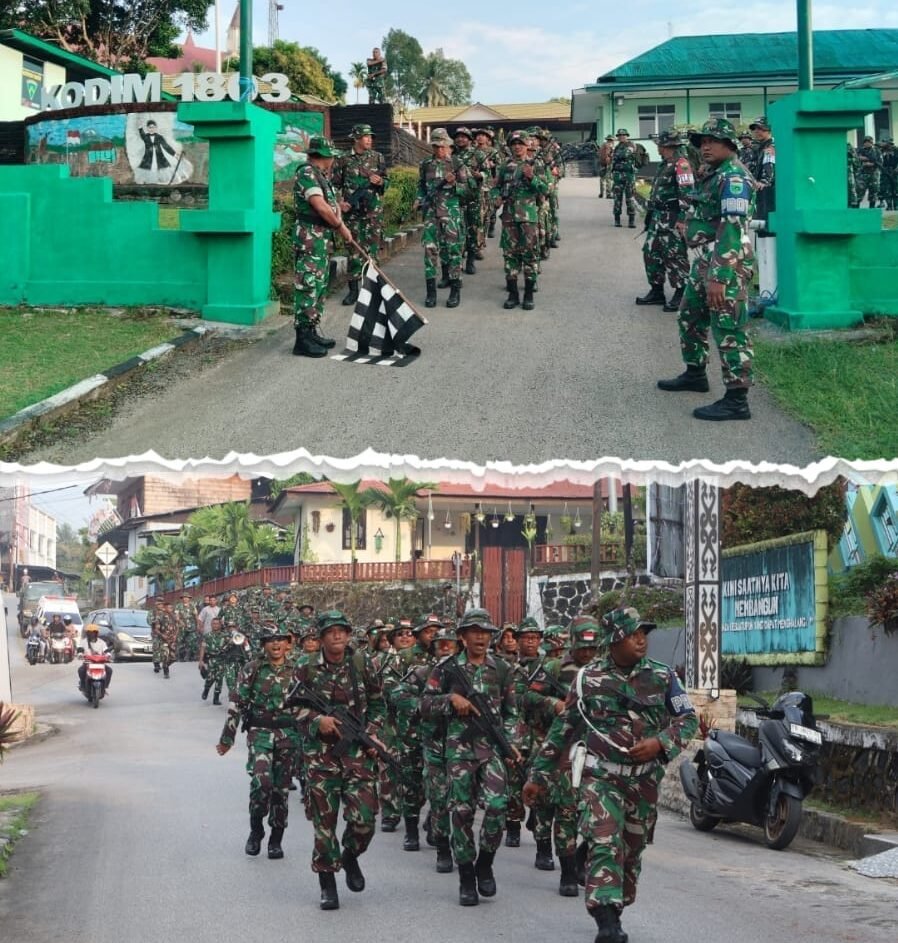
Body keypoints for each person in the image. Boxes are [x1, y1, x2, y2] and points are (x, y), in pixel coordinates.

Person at [524, 607, 697, 943]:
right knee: (605, 842)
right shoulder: (587, 680)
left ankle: (615, 904)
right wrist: (539, 775)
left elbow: (687, 719)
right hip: (600, 778)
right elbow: (564, 728)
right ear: (615, 639)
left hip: (643, 780)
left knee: (631, 852)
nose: (641, 640)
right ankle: (607, 924)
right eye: (634, 634)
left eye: (644, 634)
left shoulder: (663, 677)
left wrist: (660, 743)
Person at [420, 608, 522, 907]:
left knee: (497, 808)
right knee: (461, 813)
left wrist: (512, 743)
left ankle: (485, 864)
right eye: (475, 631)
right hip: (459, 751)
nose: (481, 637)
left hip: (491, 749)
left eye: (486, 632)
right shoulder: (446, 668)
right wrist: (451, 700)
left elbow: (512, 713)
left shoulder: (502, 669)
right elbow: (424, 704)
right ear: (462, 637)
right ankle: (466, 876)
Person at [657, 117, 756, 422]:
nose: (706, 146)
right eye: (703, 141)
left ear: (730, 145)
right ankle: (695, 373)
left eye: (713, 141)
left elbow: (731, 228)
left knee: (728, 328)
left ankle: (737, 399)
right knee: (690, 316)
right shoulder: (713, 174)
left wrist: (720, 276)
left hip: (726, 263)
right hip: (704, 259)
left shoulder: (734, 179)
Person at [290, 610, 386, 910]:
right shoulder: (305, 666)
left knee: (365, 821)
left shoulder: (362, 663)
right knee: (324, 824)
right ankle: (327, 883)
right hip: (321, 757)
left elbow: (378, 704)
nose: (337, 636)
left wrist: (371, 734)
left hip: (357, 753)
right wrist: (317, 720)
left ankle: (350, 856)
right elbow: (290, 707)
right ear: (320, 637)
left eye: (342, 630)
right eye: (330, 631)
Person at [523, 614, 600, 891]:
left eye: (593, 648)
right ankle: (564, 868)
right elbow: (528, 696)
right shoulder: (554, 667)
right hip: (559, 747)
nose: (588, 653)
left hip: (596, 749)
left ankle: (582, 860)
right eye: (584, 647)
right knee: (558, 807)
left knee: (595, 813)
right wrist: (553, 703)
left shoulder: (603, 671)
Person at [217, 622, 299, 861]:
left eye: (281, 639)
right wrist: (227, 739)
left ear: (288, 644)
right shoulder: (252, 668)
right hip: (260, 733)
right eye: (271, 640)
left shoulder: (298, 670)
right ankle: (256, 830)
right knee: (261, 783)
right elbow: (237, 704)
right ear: (263, 645)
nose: (276, 644)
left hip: (288, 736)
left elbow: (309, 706)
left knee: (280, 791)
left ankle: (276, 839)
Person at [292, 136, 353, 358]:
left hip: (321, 239)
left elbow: (333, 207)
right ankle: (302, 339)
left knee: (318, 284)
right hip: (310, 237)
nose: (333, 160)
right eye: (331, 157)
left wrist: (340, 224)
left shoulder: (321, 177)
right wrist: (340, 227)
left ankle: (312, 330)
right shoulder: (306, 173)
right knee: (308, 284)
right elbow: (320, 207)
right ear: (324, 156)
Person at [635, 129, 694, 311]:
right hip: (658, 217)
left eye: (660, 145)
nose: (658, 148)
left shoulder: (681, 164)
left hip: (673, 217)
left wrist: (683, 218)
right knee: (651, 253)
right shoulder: (664, 164)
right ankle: (656, 291)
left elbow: (688, 193)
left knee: (675, 255)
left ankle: (681, 292)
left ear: (669, 146)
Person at [331, 123, 388, 307]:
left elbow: (386, 181)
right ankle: (353, 291)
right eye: (365, 136)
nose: (369, 139)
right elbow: (334, 185)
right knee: (353, 251)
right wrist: (340, 202)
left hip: (373, 212)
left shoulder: (378, 158)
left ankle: (373, 291)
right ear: (356, 138)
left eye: (370, 136)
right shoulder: (343, 159)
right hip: (352, 214)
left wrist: (380, 181)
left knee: (373, 251)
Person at [415, 128, 469, 309]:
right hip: (431, 213)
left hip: (451, 214)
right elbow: (421, 186)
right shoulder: (425, 164)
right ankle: (431, 293)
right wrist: (418, 198)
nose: (439, 149)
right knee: (429, 252)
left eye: (442, 145)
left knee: (454, 252)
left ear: (448, 145)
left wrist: (454, 184)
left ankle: (455, 291)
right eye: (436, 145)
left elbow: (468, 191)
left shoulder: (456, 163)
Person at [494, 131, 548, 311]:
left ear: (527, 145)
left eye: (520, 143)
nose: (517, 146)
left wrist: (531, 177)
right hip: (509, 217)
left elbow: (545, 188)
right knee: (510, 255)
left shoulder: (536, 164)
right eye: (514, 143)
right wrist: (497, 197)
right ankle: (513, 293)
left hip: (528, 218)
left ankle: (529, 294)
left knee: (530, 254)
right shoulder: (505, 165)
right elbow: (496, 186)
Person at [747, 116, 776, 233]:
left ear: (768, 129)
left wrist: (764, 182)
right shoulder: (760, 146)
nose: (757, 131)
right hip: (760, 190)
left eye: (760, 129)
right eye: (755, 129)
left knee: (766, 223)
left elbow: (769, 166)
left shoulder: (771, 146)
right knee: (760, 223)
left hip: (769, 190)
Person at [610, 129, 640, 228]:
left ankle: (631, 220)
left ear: (627, 136)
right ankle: (617, 220)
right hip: (618, 175)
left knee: (630, 198)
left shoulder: (631, 145)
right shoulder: (618, 146)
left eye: (623, 135)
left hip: (629, 175)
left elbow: (624, 154)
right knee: (617, 198)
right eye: (620, 135)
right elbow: (613, 159)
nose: (621, 137)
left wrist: (616, 155)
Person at [76, 624, 112, 693]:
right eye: (90, 633)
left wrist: (108, 655)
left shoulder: (102, 642)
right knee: (81, 670)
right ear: (87, 633)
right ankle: (83, 685)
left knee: (109, 670)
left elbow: (106, 651)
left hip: (100, 663)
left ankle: (105, 687)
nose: (91, 634)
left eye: (93, 632)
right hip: (88, 662)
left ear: (96, 633)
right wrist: (80, 654)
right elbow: (80, 649)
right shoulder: (84, 642)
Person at [856, 135, 882, 208]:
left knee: (874, 192)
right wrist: (863, 160)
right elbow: (856, 159)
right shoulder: (860, 150)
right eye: (866, 142)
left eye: (869, 142)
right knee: (859, 191)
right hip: (862, 175)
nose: (867, 143)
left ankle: (872, 208)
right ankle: (856, 209)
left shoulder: (876, 151)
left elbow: (880, 162)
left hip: (873, 174)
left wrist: (870, 164)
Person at [880, 138, 897, 210]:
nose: (890, 146)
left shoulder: (896, 150)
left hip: (895, 170)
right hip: (885, 171)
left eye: (891, 144)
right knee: (887, 189)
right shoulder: (881, 151)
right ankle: (889, 205)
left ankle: (896, 205)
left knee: (896, 189)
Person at [598, 135, 615, 199]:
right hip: (608, 163)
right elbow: (608, 154)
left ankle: (601, 193)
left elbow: (599, 154)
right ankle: (608, 194)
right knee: (608, 179)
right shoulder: (610, 145)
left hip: (602, 163)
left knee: (602, 178)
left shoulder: (602, 145)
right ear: (611, 140)